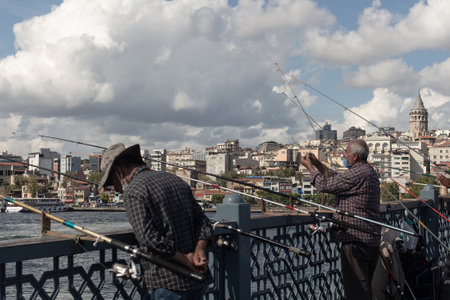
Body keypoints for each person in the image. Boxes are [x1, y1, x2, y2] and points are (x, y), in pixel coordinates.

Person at [98, 143, 212, 300]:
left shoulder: (134, 191)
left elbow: (149, 239)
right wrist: (200, 250)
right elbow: (204, 223)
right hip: (196, 281)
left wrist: (185, 260)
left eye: (112, 182)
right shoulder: (175, 180)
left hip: (165, 283)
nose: (115, 189)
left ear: (119, 172)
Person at [300, 139, 381, 300]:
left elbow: (326, 186)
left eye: (346, 154)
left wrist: (309, 168)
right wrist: (317, 163)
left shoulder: (359, 173)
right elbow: (336, 177)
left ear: (355, 157)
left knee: (358, 291)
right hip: (368, 238)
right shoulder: (366, 170)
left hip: (356, 240)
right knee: (363, 288)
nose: (344, 156)